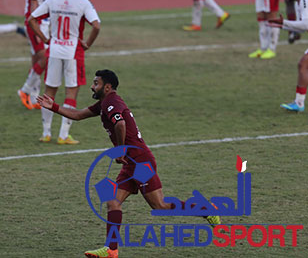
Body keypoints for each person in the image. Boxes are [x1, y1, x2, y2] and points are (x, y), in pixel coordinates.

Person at [37, 70, 221, 258]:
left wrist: (121, 150)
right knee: (113, 202)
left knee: (160, 206)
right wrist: (54, 107)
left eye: (96, 83)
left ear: (107, 87)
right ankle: (111, 250)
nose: (92, 86)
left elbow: (121, 124)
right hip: (132, 163)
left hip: (140, 162)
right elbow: (77, 115)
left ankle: (206, 209)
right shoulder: (105, 103)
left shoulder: (111, 102)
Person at [29, 0, 100, 145]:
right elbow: (96, 26)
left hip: (54, 50)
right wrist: (88, 44)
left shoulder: (54, 0)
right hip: (73, 53)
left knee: (49, 91)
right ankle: (63, 135)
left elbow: (31, 19)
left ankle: (46, 133)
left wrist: (46, 38)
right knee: (71, 92)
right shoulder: (83, 3)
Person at [18, 0, 61, 110]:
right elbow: (34, 3)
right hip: (34, 24)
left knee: (37, 60)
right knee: (46, 58)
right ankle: (25, 90)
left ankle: (34, 98)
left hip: (43, 24)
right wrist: (37, 29)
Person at [268, 0, 308, 112]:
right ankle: (299, 103)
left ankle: (299, 104)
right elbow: (303, 28)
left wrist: (284, 23)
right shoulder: (300, 2)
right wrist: (283, 26)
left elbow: (305, 25)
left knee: (303, 65)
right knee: (303, 65)